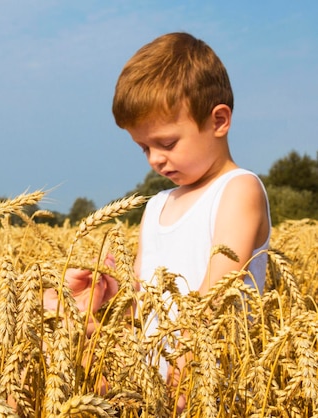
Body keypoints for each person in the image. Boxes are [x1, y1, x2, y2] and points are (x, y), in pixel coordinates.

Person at [111, 32, 271, 410]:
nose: (154, 159)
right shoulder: (156, 206)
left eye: (166, 143)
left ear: (218, 121)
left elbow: (215, 292)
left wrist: (185, 369)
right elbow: (139, 300)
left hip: (212, 389)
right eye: (144, 147)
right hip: (150, 391)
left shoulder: (238, 190)